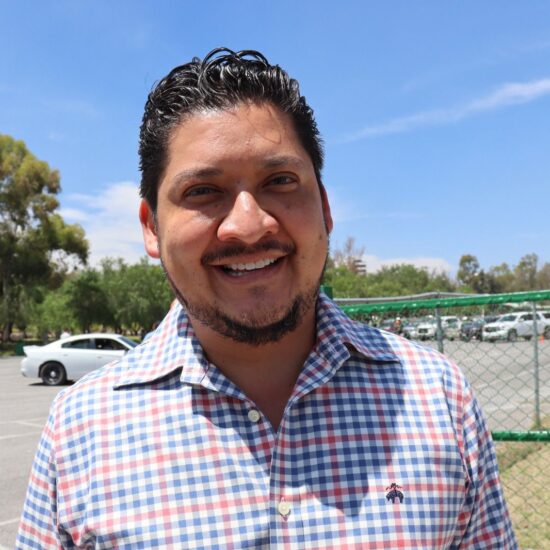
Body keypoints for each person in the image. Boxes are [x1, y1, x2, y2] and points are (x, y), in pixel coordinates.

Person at [17, 48, 517, 549]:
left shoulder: (439, 398)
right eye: (202, 191)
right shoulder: (79, 429)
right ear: (151, 228)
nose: (249, 224)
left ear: (325, 208)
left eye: (280, 181)